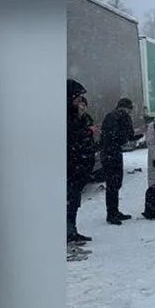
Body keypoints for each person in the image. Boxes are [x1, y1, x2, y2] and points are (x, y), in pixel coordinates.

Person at [99, 97, 142, 225]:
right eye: (129, 110)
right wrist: (135, 137)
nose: (129, 113)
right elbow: (126, 136)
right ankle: (112, 214)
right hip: (113, 153)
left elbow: (109, 134)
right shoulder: (122, 116)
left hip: (107, 152)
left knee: (112, 184)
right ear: (126, 108)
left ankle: (113, 211)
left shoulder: (110, 116)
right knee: (114, 184)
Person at [67, 79, 96, 244]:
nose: (81, 103)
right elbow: (72, 137)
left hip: (79, 166)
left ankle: (72, 231)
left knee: (73, 201)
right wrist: (87, 132)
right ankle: (68, 232)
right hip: (71, 166)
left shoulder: (79, 117)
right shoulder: (68, 117)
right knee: (69, 201)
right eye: (78, 99)